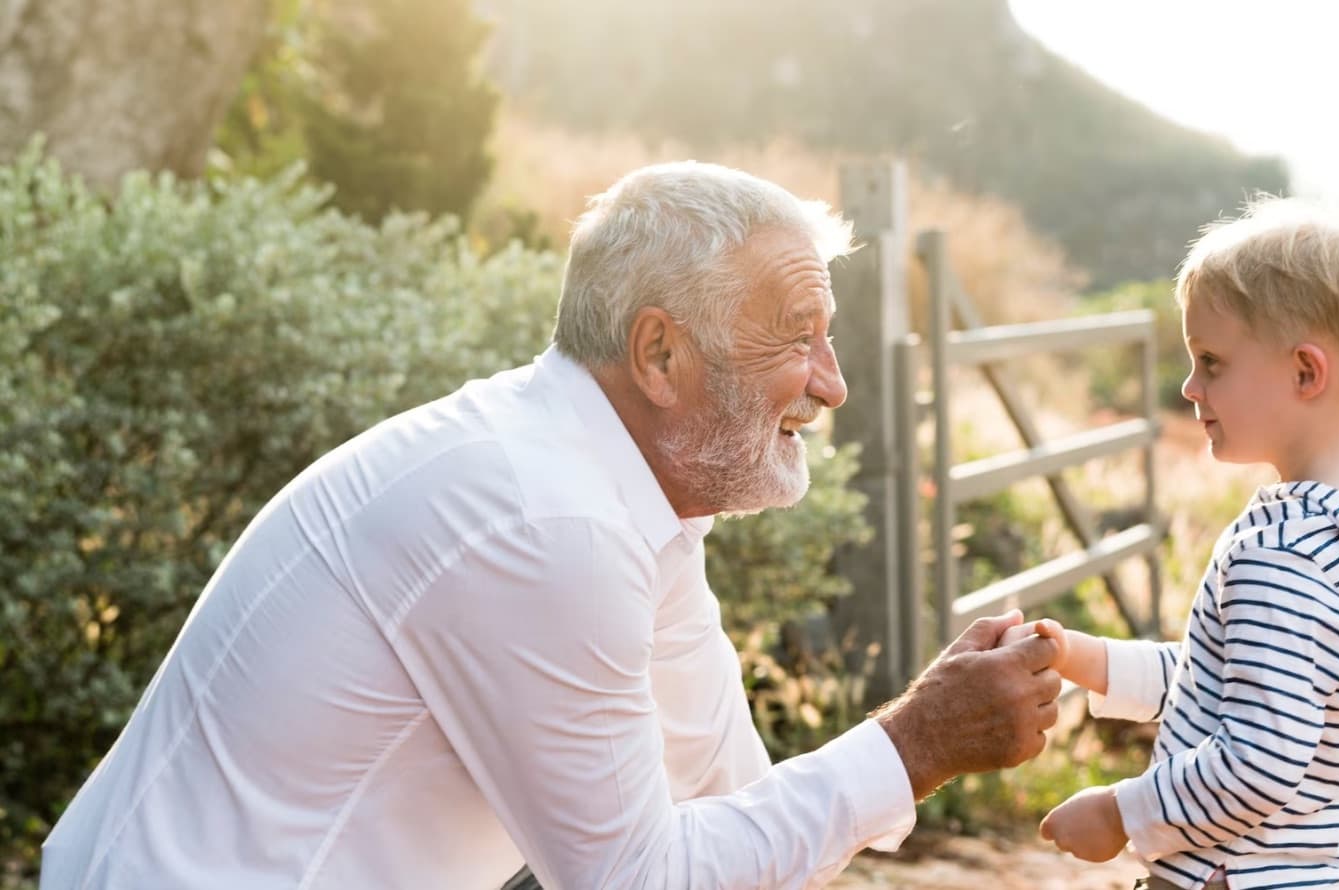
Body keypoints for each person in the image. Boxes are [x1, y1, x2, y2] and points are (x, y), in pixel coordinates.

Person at [40, 162, 1064, 890]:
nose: (833, 386)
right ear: (659, 355)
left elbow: (727, 787)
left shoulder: (614, 488)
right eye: (796, 338)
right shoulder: (546, 520)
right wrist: (915, 739)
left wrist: (915, 741)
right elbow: (636, 880)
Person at [1032, 197, 1339, 889]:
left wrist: (1120, 813)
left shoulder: (1282, 553)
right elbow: (1239, 681)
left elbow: (1260, 757)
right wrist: (1087, 659)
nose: (1190, 387)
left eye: (1212, 361)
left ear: (1306, 372)